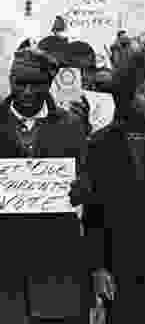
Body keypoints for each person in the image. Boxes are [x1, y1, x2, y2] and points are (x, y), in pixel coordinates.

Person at [0, 48, 89, 323]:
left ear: (49, 84)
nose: (26, 91)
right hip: (5, 257)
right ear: (10, 81)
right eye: (20, 83)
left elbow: (87, 177)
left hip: (55, 258)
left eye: (35, 84)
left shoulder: (70, 125)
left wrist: (82, 187)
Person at [82, 50, 145, 323]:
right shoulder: (101, 145)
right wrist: (98, 268)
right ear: (126, 95)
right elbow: (93, 213)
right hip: (122, 263)